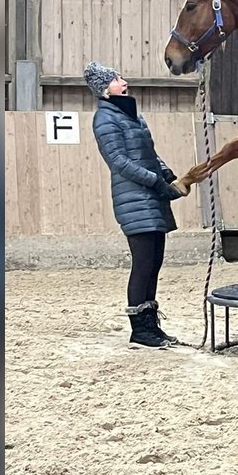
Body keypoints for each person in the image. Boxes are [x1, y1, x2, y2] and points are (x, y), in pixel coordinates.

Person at [85, 61, 185, 348]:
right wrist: (155, 181)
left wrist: (166, 173)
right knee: (142, 264)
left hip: (151, 197)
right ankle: (139, 330)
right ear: (105, 89)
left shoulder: (133, 116)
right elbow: (118, 161)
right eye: (116, 79)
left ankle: (150, 325)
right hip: (134, 198)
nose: (123, 81)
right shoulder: (105, 119)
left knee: (154, 263)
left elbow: (149, 153)